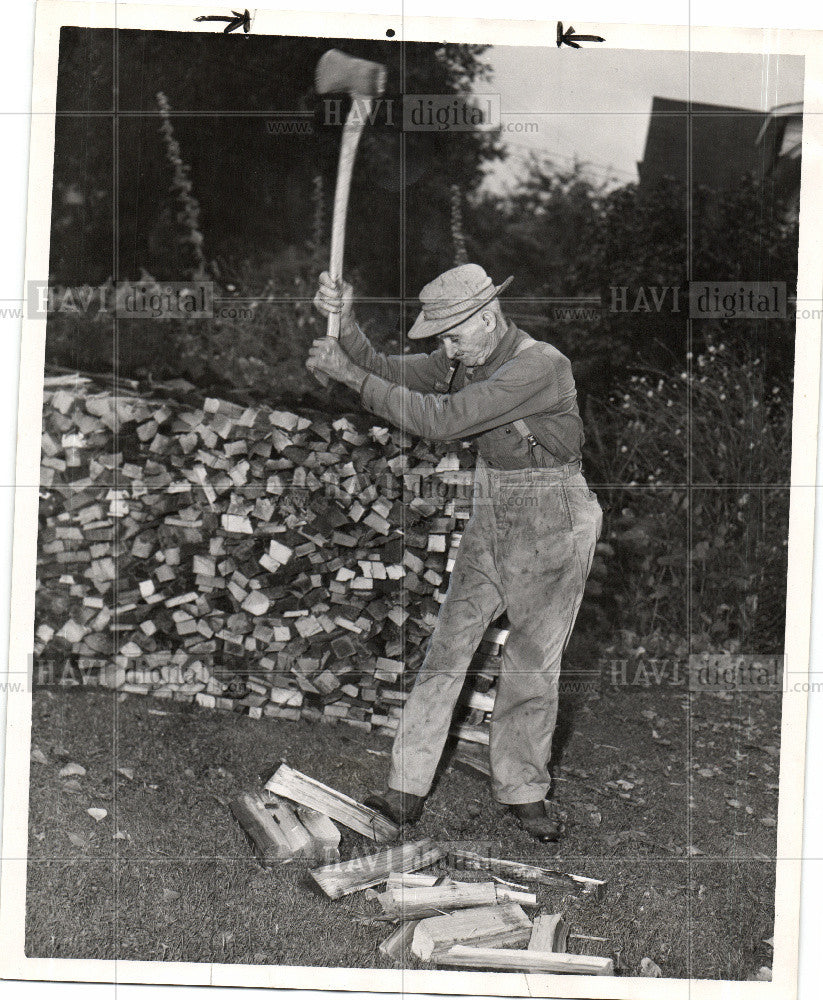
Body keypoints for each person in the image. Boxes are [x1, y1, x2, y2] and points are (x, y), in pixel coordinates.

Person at [308, 263, 603, 842]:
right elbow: (385, 371)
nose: (446, 350)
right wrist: (344, 322)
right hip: (494, 508)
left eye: (452, 336)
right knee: (448, 645)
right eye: (441, 339)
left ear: (488, 318)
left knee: (531, 662)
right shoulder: (462, 357)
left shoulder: (541, 366)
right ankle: (405, 786)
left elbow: (443, 421)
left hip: (553, 517)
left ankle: (524, 790)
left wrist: (349, 377)